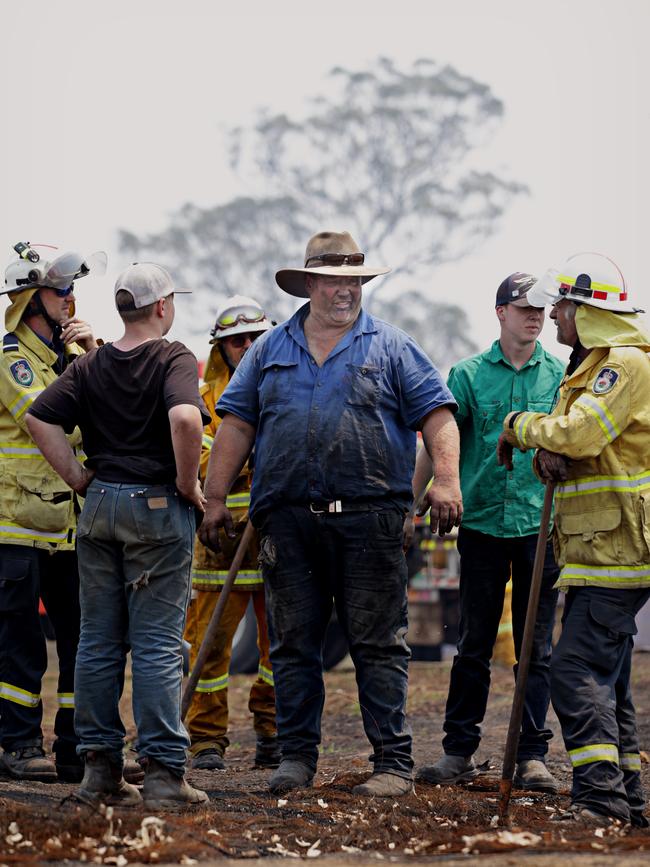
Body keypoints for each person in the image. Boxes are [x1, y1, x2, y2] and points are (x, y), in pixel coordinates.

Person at [198, 230, 462, 798]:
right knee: (294, 645)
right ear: (310, 283)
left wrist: (445, 480)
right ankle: (295, 761)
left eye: (354, 282)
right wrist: (214, 498)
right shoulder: (269, 350)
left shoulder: (391, 346)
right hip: (288, 521)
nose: (345, 292)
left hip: (371, 520)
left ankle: (392, 763)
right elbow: (237, 423)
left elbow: (438, 414)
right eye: (335, 281)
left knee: (377, 643)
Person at [25, 262, 210, 810]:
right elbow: (185, 420)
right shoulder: (171, 356)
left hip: (100, 506)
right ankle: (162, 775)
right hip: (156, 507)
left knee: (97, 642)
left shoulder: (94, 363)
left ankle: (100, 773)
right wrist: (187, 485)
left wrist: (80, 479)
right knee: (155, 644)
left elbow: (39, 418)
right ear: (161, 308)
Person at [497, 253, 650, 826]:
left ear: (586, 310)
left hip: (618, 550)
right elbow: (576, 451)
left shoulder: (624, 366)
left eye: (560, 304)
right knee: (607, 679)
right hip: (592, 548)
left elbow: (581, 434)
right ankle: (626, 800)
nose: (552, 314)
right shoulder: (587, 366)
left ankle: (599, 801)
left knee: (573, 670)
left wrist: (520, 428)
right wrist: (550, 459)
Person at [416, 273, 565, 792]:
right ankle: (458, 751)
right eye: (524, 308)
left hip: (539, 528)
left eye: (541, 309)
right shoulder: (468, 374)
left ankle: (531, 757)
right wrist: (414, 501)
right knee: (473, 644)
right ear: (500, 312)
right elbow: (438, 439)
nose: (535, 316)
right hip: (478, 523)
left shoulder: (562, 377)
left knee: (536, 648)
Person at [0, 241, 103, 784]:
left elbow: (111, 413)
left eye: (71, 289)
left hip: (69, 527)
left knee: (81, 640)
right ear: (29, 300)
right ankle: (16, 745)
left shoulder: (73, 359)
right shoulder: (10, 360)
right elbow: (56, 420)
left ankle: (76, 748)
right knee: (19, 645)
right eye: (61, 289)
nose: (71, 298)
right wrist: (88, 373)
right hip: (15, 526)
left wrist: (88, 355)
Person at [185, 295, 280, 771]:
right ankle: (205, 740)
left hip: (272, 543)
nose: (246, 346)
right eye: (235, 341)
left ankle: (272, 733)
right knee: (209, 648)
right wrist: (248, 454)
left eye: (254, 338)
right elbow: (202, 464)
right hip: (217, 544)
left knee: (278, 648)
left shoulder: (287, 392)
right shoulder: (204, 402)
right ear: (220, 348)